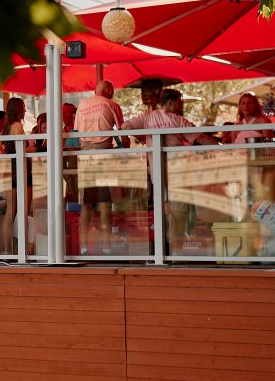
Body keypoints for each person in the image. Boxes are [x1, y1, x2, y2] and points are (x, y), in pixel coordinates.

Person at [121, 89, 218, 250]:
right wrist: (225, 148)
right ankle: (175, 248)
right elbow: (200, 137)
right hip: (177, 170)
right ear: (171, 103)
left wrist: (145, 137)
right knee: (179, 209)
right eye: (179, 102)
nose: (181, 105)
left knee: (162, 208)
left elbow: (125, 127)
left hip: (157, 172)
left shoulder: (147, 117)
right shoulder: (178, 120)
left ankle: (163, 248)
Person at [74, 80, 128, 255]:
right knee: (105, 201)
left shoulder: (82, 104)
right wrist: (126, 152)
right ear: (110, 91)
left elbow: (77, 131)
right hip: (103, 153)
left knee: (86, 203)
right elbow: (123, 132)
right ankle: (106, 247)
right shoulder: (111, 104)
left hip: (85, 155)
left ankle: (83, 248)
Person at [0, 97, 33, 253]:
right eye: (24, 107)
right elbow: (21, 151)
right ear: (18, 109)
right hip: (21, 171)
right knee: (23, 212)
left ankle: (7, 250)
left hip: (9, 171)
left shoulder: (6, 127)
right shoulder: (18, 126)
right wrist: (38, 149)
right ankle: (22, 251)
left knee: (10, 212)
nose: (25, 111)